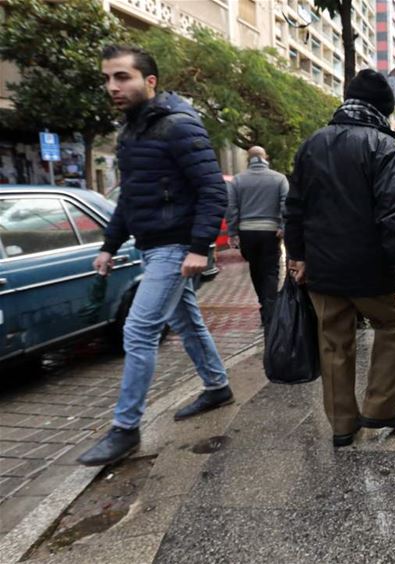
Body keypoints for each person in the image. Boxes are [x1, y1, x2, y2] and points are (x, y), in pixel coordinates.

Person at [78, 45, 231, 467]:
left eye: (122, 77)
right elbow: (130, 198)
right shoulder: (131, 133)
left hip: (176, 248)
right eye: (108, 78)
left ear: (150, 81)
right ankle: (217, 386)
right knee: (187, 321)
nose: (113, 86)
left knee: (139, 330)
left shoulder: (178, 126)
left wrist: (201, 247)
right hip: (151, 246)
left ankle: (125, 429)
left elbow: (212, 189)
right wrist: (109, 246)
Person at [285, 69, 395, 448]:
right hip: (373, 270)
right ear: (382, 109)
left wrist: (296, 255)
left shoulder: (310, 145)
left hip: (322, 270)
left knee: (333, 342)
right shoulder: (383, 146)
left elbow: (293, 207)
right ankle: (380, 407)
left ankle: (343, 424)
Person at [227, 146, 288, 327]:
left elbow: (231, 208)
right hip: (270, 231)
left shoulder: (237, 181)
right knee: (270, 271)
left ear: (248, 158)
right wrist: (283, 226)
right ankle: (270, 311)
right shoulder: (279, 179)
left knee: (256, 269)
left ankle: (265, 305)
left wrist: (232, 232)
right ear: (265, 157)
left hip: (247, 232)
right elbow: (286, 204)